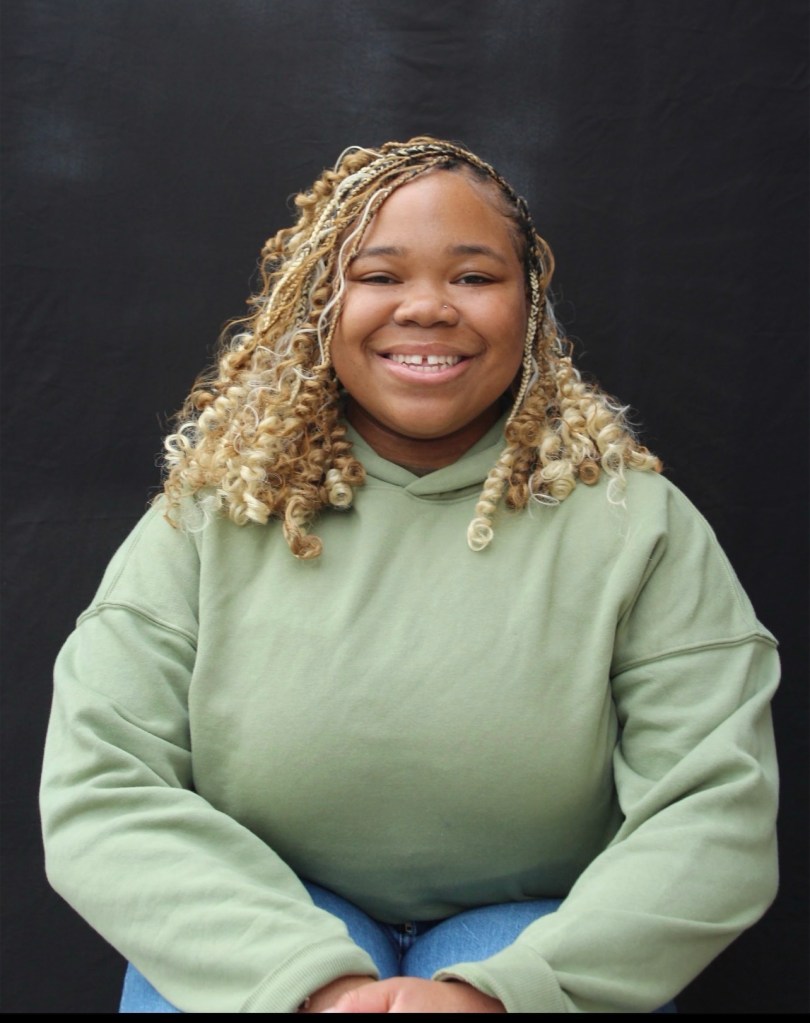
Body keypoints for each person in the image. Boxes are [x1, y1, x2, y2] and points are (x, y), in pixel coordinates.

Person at [40, 136, 779, 1014]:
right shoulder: (209, 515)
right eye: (379, 275)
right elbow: (103, 787)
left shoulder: (638, 524)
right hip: (257, 920)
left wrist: (505, 995)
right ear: (319, 302)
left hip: (545, 936)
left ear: (530, 306)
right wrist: (310, 985)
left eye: (473, 275)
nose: (427, 306)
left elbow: (712, 812)